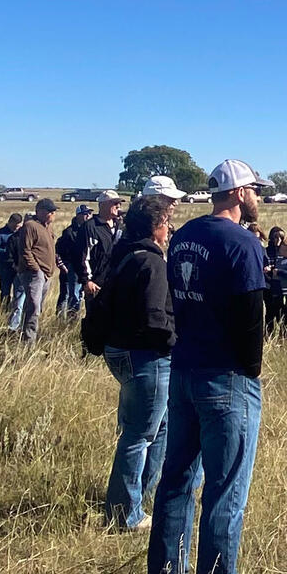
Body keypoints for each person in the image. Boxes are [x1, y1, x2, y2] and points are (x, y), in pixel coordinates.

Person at [148, 159, 270, 574]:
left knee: (176, 480)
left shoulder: (185, 235)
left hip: (184, 369)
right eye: (254, 190)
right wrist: (252, 368)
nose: (258, 197)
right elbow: (250, 317)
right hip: (227, 377)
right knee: (225, 492)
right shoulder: (241, 243)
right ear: (240, 194)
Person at [94, 196, 176, 531]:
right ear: (157, 227)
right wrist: (177, 342)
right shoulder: (152, 263)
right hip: (148, 356)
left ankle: (142, 496)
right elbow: (156, 318)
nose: (169, 229)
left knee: (158, 427)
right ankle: (124, 513)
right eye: (167, 222)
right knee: (140, 434)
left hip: (121, 351)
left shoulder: (125, 253)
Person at [11, 200, 61, 342]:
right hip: (34, 273)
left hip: (47, 273)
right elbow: (25, 251)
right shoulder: (30, 226)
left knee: (38, 307)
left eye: (53, 211)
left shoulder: (48, 227)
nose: (52, 214)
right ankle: (28, 341)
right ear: (40, 211)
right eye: (49, 211)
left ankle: (27, 334)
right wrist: (36, 269)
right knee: (33, 306)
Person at [56, 206, 93, 319]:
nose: (88, 216)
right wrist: (64, 264)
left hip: (86, 266)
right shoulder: (69, 232)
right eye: (85, 214)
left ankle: (74, 316)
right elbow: (59, 249)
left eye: (89, 214)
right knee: (73, 294)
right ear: (78, 216)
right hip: (73, 267)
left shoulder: (90, 230)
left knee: (82, 294)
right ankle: (71, 318)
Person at [264, 228, 287, 338]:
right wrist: (271, 269)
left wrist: (279, 272)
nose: (281, 251)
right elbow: (277, 268)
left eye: (284, 250)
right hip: (276, 290)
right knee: (274, 313)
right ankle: (271, 334)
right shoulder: (279, 257)